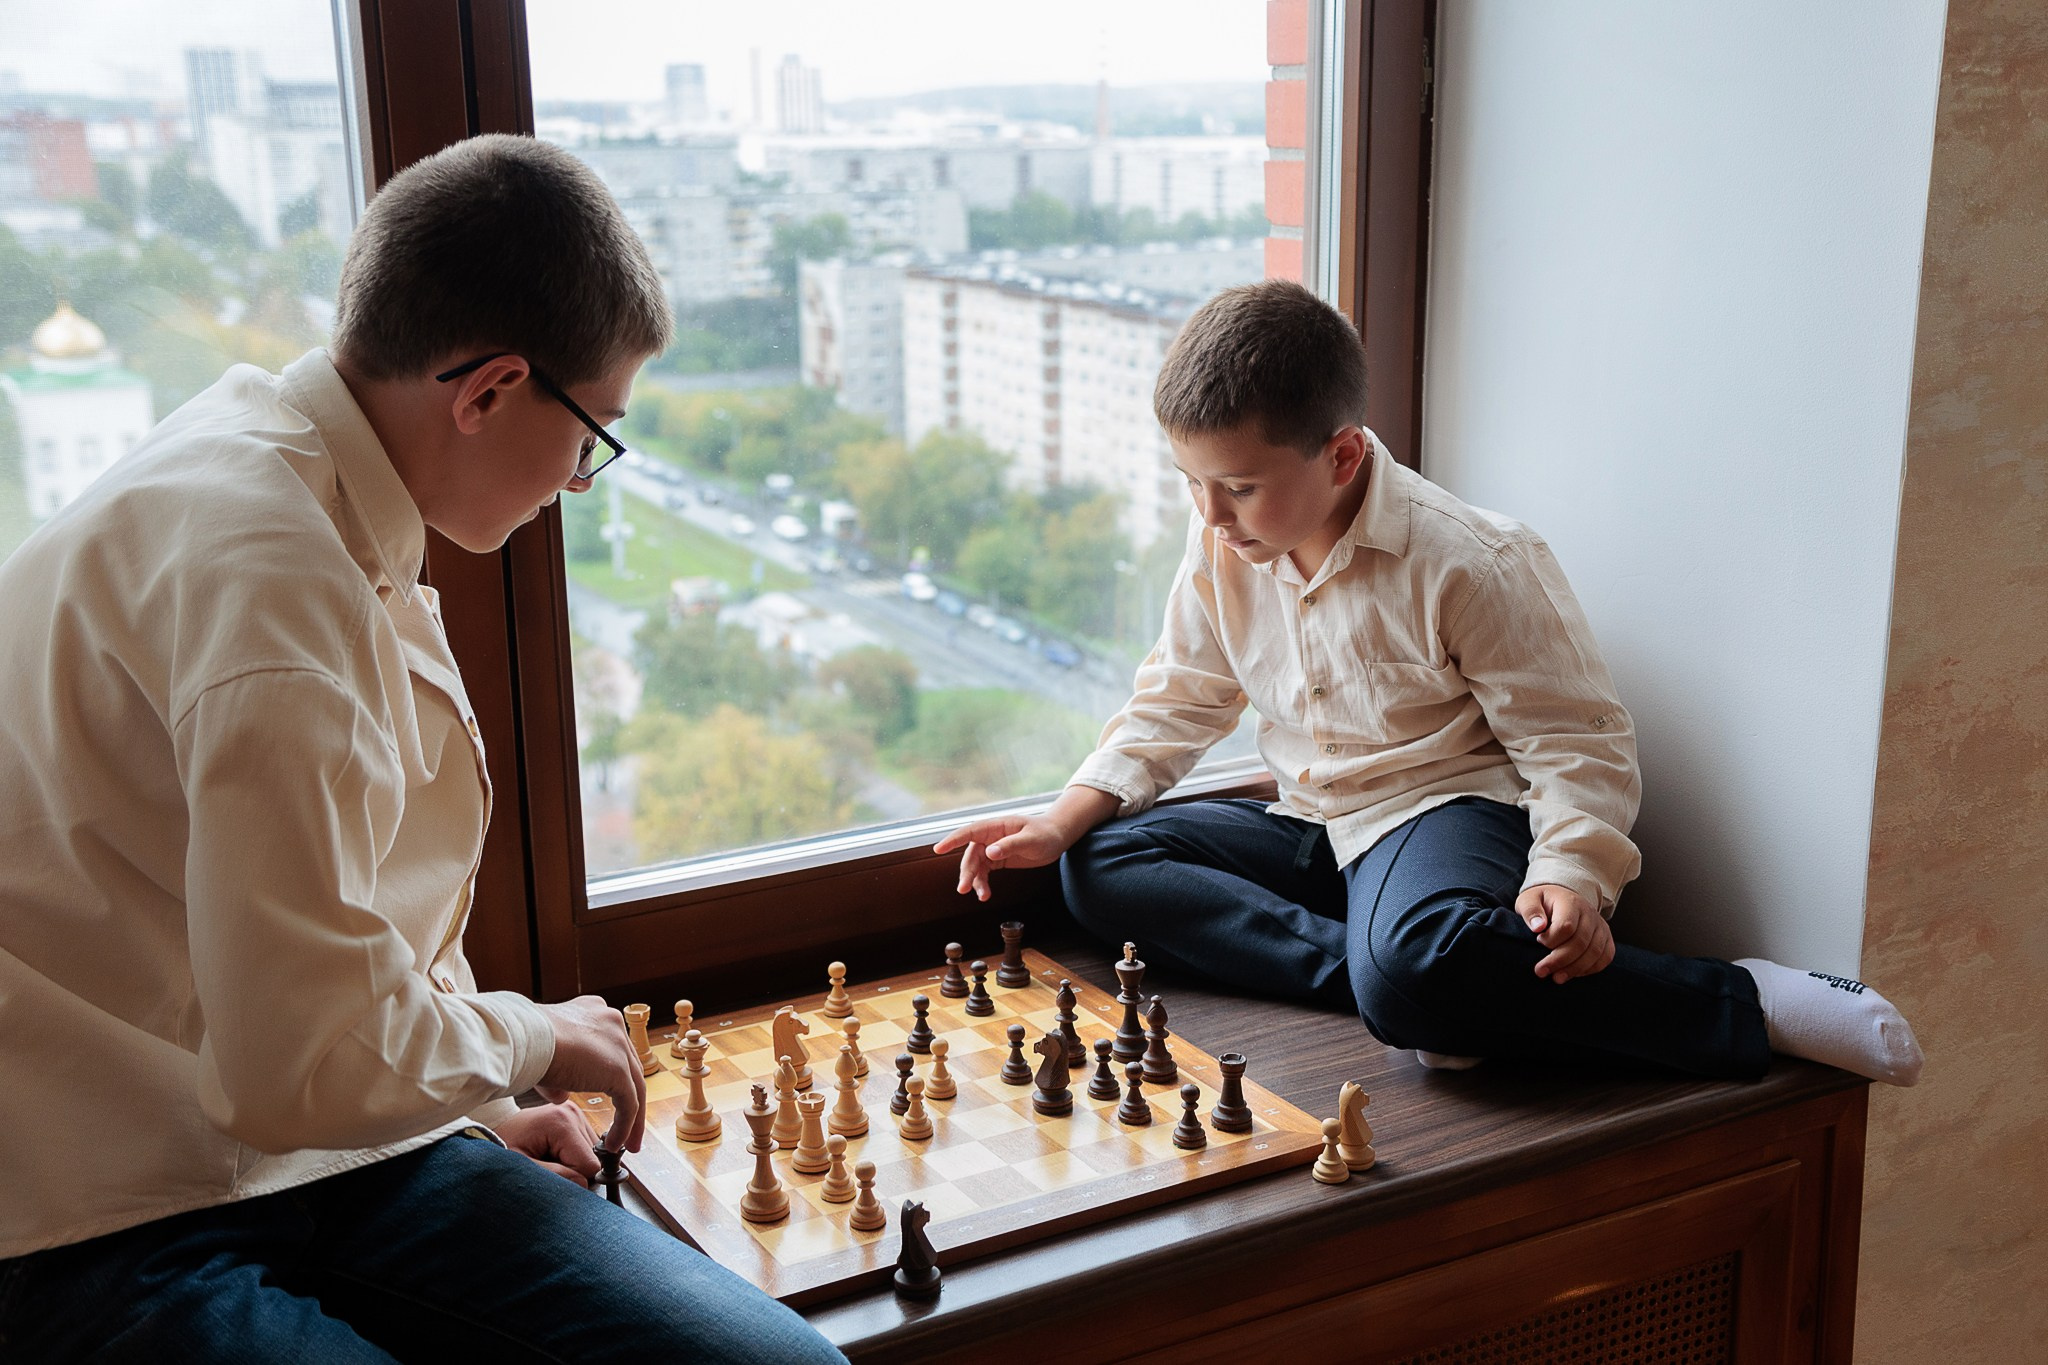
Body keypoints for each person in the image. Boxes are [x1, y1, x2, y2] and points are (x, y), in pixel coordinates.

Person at [0, 135, 845, 1364]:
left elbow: (320, 942)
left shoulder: (305, 468)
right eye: (592, 433)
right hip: (95, 1201)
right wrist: (534, 1036)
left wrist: (478, 1106)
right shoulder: (270, 577)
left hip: (319, 1138)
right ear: (492, 389)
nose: (576, 479)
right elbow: (294, 1054)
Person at [937, 280, 1921, 1090]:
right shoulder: (1219, 549)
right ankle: (1409, 976)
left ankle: (1739, 1002)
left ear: (1341, 453)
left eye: (1236, 485)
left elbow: (1574, 745)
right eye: (1191, 482)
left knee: (1415, 964)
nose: (1210, 512)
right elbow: (1177, 698)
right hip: (1315, 823)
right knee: (1100, 865)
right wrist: (1059, 820)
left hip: (1440, 809)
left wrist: (1567, 874)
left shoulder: (1471, 559)